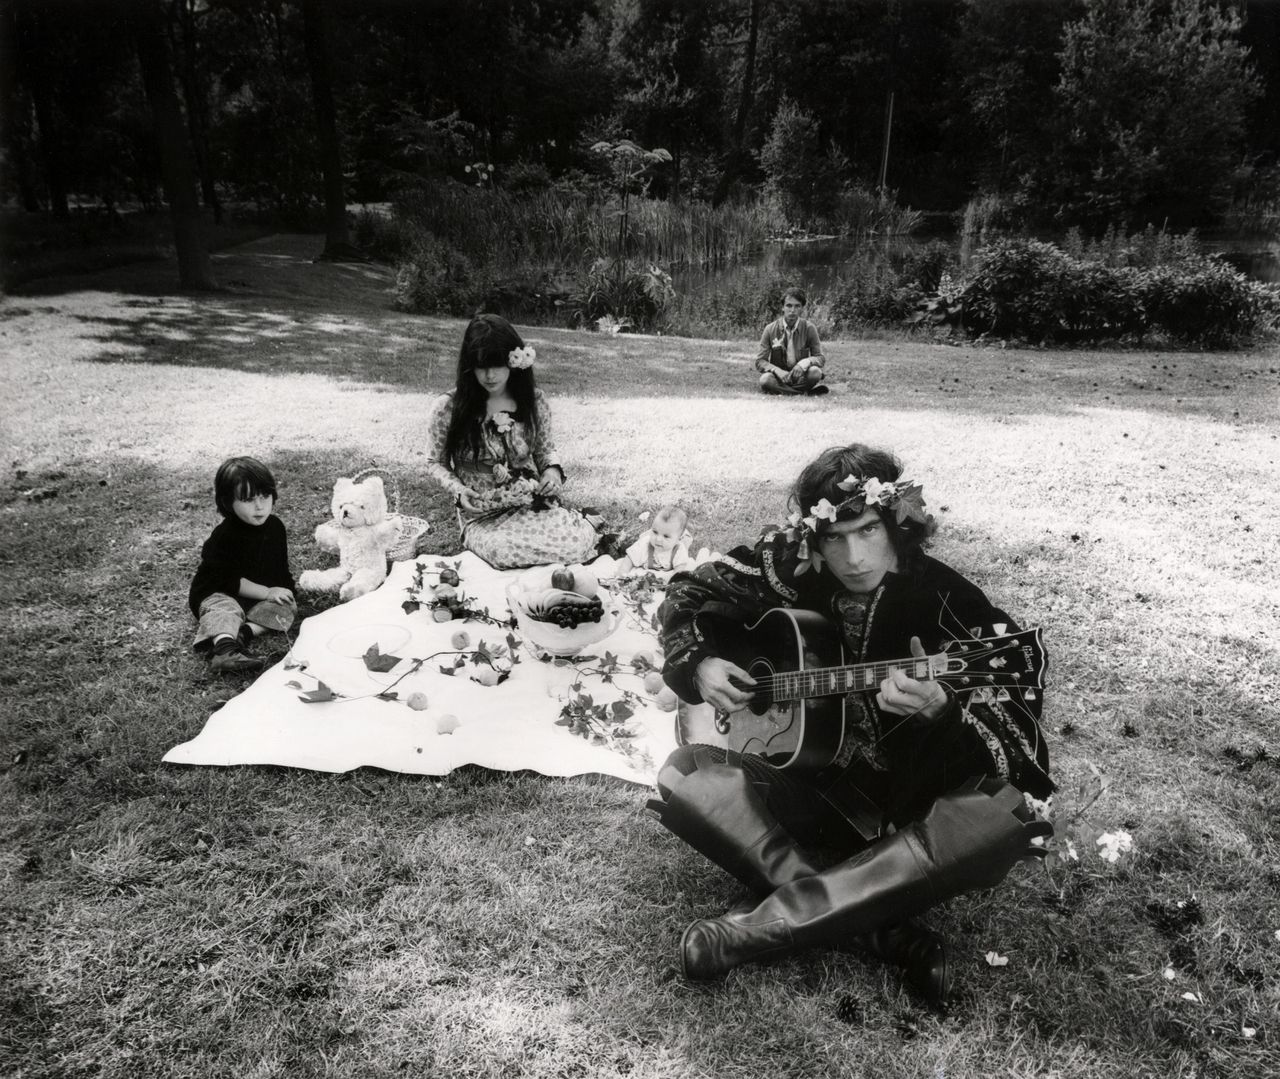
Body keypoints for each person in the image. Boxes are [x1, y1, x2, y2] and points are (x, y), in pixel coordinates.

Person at [650, 444, 1052, 1010]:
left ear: (898, 525)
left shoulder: (951, 602)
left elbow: (1016, 746)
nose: (853, 556)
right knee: (684, 769)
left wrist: (943, 712)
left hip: (908, 824)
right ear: (812, 538)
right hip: (812, 797)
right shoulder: (793, 566)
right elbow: (691, 591)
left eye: (867, 531)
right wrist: (701, 662)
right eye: (834, 538)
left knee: (999, 814)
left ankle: (763, 927)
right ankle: (882, 930)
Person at [425, 314, 601, 569]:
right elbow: (435, 462)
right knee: (502, 551)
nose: (489, 375)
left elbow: (544, 451)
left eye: (497, 364)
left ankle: (584, 523)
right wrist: (459, 490)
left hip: (530, 503)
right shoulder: (447, 408)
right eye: (481, 365)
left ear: (515, 360)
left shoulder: (534, 401)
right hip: (482, 513)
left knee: (573, 542)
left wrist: (551, 473)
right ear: (469, 365)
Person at [188, 456, 297, 674]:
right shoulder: (224, 537)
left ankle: (243, 634)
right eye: (248, 500)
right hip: (220, 591)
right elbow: (227, 581)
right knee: (224, 608)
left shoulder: (275, 527)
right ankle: (225, 649)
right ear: (228, 503)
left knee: (288, 607)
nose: (259, 506)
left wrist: (285, 591)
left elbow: (280, 568)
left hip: (256, 596)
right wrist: (267, 591)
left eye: (265, 496)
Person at [755, 287, 828, 396]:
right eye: (789, 305)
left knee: (815, 373)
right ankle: (804, 392)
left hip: (801, 376)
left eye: (797, 306)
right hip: (779, 377)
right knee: (765, 380)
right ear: (782, 307)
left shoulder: (809, 328)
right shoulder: (770, 329)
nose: (792, 310)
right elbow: (760, 361)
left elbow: (820, 358)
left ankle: (784, 391)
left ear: (802, 308)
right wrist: (776, 370)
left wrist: (803, 364)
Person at [616, 505, 695, 574]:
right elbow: (630, 558)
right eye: (655, 532)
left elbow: (679, 570)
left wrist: (672, 581)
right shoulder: (645, 544)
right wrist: (622, 573)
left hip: (665, 578)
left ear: (678, 539)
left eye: (666, 536)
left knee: (690, 567)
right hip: (646, 576)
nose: (658, 539)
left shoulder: (678, 550)